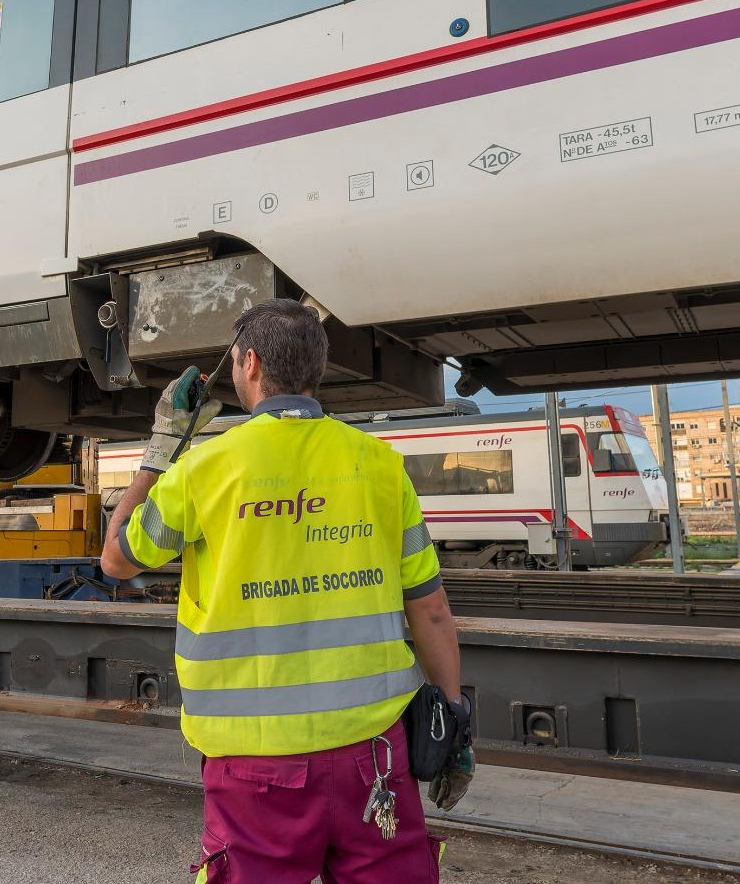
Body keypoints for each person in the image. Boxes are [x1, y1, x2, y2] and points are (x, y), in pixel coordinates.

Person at [100, 298, 470, 883]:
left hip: (254, 767)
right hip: (374, 754)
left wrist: (162, 446)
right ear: (316, 368)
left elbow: (115, 558)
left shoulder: (205, 469)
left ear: (248, 364)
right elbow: (430, 610)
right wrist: (455, 718)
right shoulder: (378, 465)